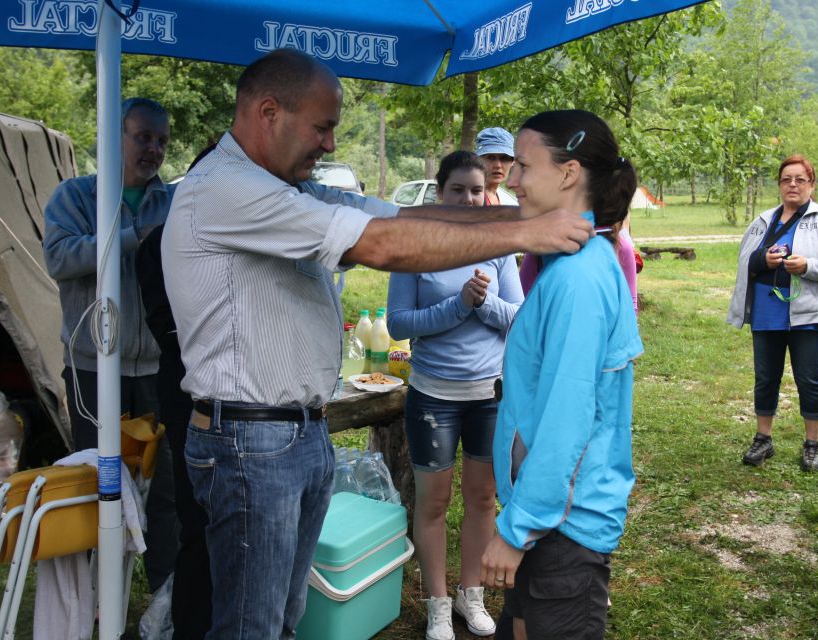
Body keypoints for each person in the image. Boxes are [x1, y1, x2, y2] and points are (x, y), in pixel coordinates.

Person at [161, 49, 593, 640]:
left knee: (283, 619)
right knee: (250, 626)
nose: (332, 145)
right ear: (268, 112)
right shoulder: (226, 189)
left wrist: (526, 211)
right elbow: (385, 244)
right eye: (323, 126)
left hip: (295, 433)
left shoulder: (288, 187)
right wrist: (526, 232)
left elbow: (409, 214)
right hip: (249, 441)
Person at [479, 110, 643, 640]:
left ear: (569, 173)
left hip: (560, 527)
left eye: (525, 165)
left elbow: (568, 420)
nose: (514, 179)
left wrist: (517, 527)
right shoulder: (570, 264)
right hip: (545, 517)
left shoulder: (578, 279)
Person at [43, 97, 178, 592]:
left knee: (162, 486)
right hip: (94, 369)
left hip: (159, 369)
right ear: (114, 135)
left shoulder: (173, 199)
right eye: (143, 136)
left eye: (161, 140)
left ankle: (164, 592)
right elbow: (58, 259)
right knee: (99, 486)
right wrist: (129, 235)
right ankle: (100, 593)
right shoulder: (75, 196)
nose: (154, 149)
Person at [387, 150, 523, 640]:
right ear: (438, 192)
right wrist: (457, 304)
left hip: (489, 394)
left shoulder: (499, 246)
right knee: (434, 502)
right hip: (434, 397)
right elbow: (399, 323)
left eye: (476, 190)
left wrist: (482, 304)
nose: (468, 198)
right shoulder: (415, 246)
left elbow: (517, 318)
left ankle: (471, 595)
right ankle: (438, 603)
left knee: (484, 497)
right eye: (457, 189)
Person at [135, 144, 218, 639]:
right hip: (191, 399)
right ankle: (192, 625)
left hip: (243, 408)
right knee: (198, 521)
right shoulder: (160, 245)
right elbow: (170, 328)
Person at [728, 155, 818, 472]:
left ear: (811, 184)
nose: (792, 185)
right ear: (780, 185)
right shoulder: (763, 221)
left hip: (808, 315)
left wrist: (808, 266)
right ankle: (763, 438)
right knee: (766, 378)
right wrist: (763, 261)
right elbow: (745, 262)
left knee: (809, 380)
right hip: (767, 312)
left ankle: (812, 445)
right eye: (786, 179)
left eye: (799, 179)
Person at [475, 127, 518, 206]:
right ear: (478, 160)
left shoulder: (511, 200)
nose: (498, 165)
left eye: (504, 158)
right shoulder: (471, 200)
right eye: (491, 158)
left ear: (513, 162)